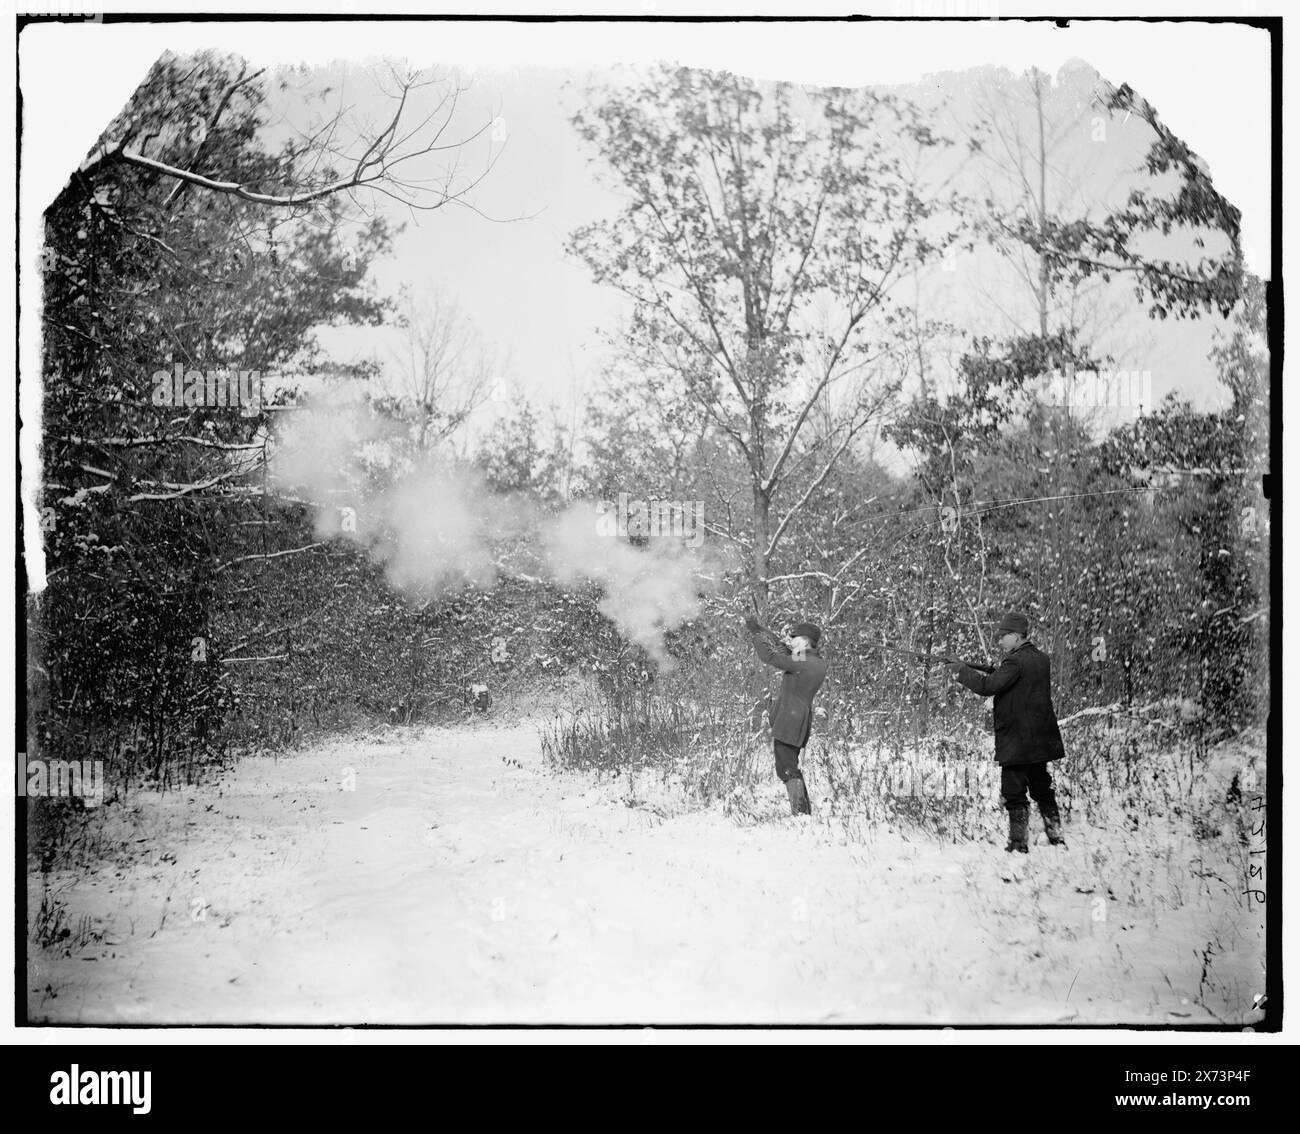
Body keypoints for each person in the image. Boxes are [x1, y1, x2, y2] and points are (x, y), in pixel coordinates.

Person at [948, 611, 1066, 853]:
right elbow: (1015, 682)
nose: (1000, 640)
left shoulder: (1014, 662)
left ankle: (1017, 844)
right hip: (1038, 739)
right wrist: (979, 668)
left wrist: (960, 671)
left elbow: (987, 686)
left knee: (1014, 792)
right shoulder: (1041, 659)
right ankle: (1056, 836)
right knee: (1042, 788)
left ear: (1016, 636)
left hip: (1018, 740)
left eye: (1003, 636)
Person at [744, 616, 827, 816]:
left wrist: (757, 637)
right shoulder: (811, 660)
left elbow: (771, 657)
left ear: (805, 641)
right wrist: (760, 629)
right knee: (789, 765)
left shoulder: (804, 661)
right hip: (796, 720)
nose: (792, 641)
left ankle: (800, 814)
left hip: (791, 720)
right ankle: (803, 813)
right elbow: (783, 650)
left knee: (787, 767)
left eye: (795, 638)